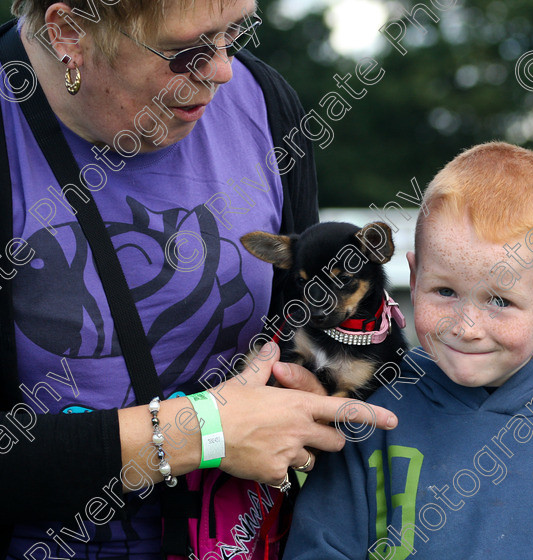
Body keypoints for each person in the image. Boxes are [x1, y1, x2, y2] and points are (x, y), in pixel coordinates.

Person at [0, 1, 397, 557]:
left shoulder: (265, 102)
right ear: (69, 31)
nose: (223, 69)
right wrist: (201, 433)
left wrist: (305, 392)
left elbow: (298, 326)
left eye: (235, 31)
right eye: (189, 49)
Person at [283, 142, 533, 559]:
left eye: (500, 301)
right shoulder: (371, 404)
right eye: (444, 291)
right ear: (414, 277)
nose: (465, 328)